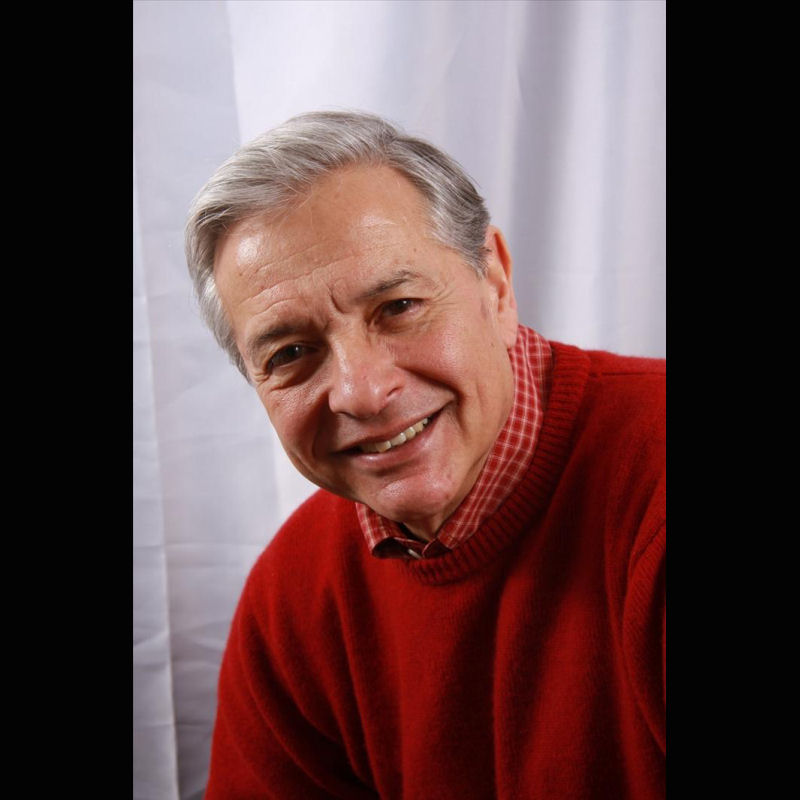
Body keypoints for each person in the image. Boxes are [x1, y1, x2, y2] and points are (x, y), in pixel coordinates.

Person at [185, 111, 665, 799]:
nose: (362, 391)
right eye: (291, 353)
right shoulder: (296, 593)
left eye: (399, 306)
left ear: (495, 285)